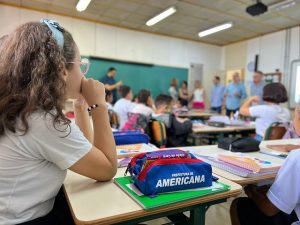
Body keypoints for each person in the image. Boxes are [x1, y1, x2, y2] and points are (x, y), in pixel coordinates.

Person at [0, 20, 117, 225]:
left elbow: (84, 153)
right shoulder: (41, 120)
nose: (83, 74)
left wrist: (81, 106)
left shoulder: (23, 108)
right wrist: (99, 106)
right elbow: (106, 168)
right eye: (81, 66)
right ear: (63, 70)